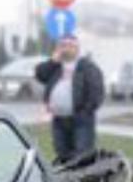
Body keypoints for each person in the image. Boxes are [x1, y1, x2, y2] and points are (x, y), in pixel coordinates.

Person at [33, 33, 106, 165]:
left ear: (77, 48)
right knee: (62, 154)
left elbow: (96, 92)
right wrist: (53, 61)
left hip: (81, 120)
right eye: (63, 45)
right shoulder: (55, 67)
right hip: (59, 119)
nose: (66, 49)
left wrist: (85, 111)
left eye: (70, 46)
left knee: (82, 156)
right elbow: (40, 75)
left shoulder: (87, 67)